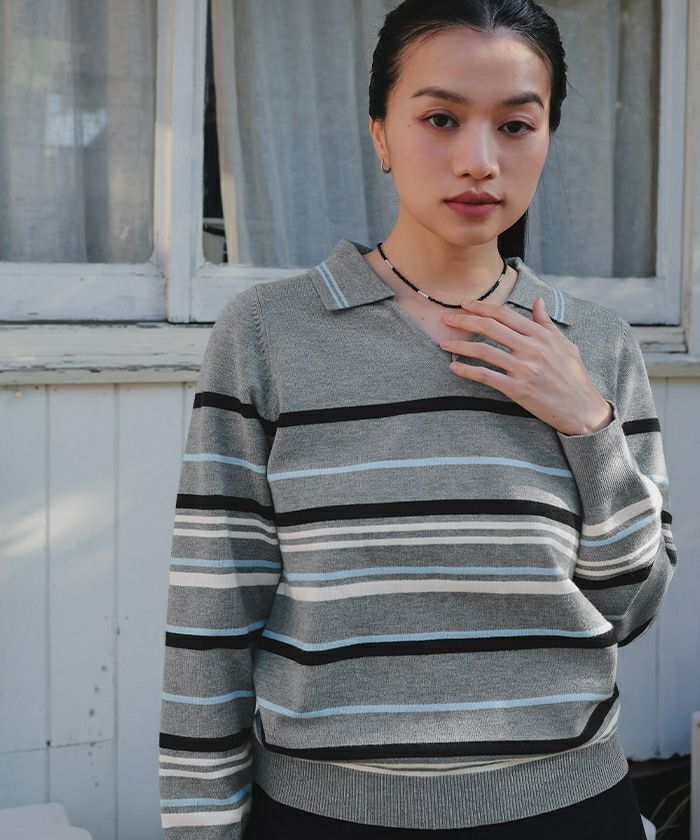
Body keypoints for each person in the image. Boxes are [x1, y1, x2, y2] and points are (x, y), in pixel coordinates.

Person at [159, 1, 675, 838]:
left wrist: (589, 426)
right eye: (440, 118)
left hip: (568, 809)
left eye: (516, 125)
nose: (479, 161)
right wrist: (200, 825)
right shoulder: (267, 335)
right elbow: (212, 612)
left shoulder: (596, 344)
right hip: (323, 815)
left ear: (548, 138)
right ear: (381, 134)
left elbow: (632, 610)